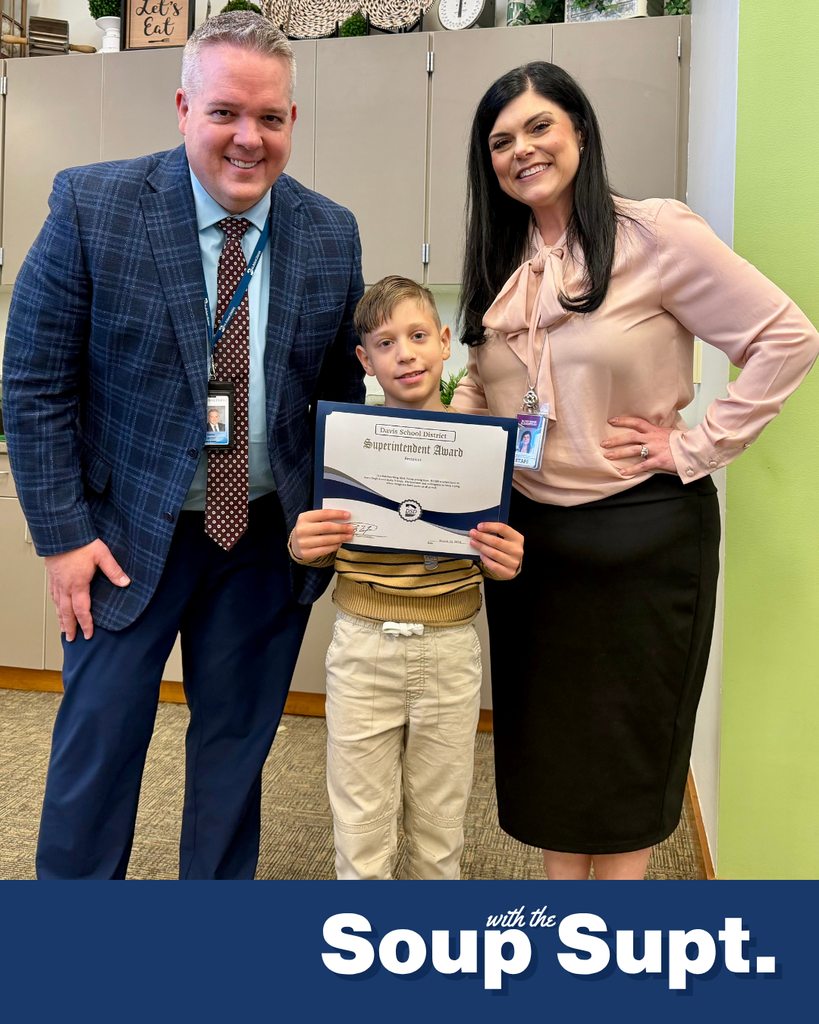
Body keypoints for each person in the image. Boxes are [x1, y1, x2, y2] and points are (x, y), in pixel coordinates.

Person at [1, 13, 365, 879]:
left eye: (270, 118)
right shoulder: (94, 205)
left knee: (234, 756)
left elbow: (336, 394)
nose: (249, 138)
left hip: (263, 539)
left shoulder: (329, 232)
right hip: (124, 539)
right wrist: (60, 537)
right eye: (226, 113)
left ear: (291, 121)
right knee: (99, 749)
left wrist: (332, 512)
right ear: (182, 108)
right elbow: (33, 383)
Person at [452, 62, 819, 880]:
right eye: (501, 140)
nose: (522, 150)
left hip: (644, 539)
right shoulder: (495, 256)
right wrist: (455, 457)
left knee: (626, 751)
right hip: (530, 546)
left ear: (579, 129)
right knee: (551, 752)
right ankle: (561, 927)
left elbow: (786, 338)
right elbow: (484, 385)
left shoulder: (654, 236)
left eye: (539, 126)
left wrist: (693, 447)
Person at [289, 277, 524, 879]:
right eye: (386, 344)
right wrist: (301, 543)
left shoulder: (484, 450)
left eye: (419, 336)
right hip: (364, 646)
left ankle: (426, 957)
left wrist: (507, 558)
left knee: (440, 828)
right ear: (365, 361)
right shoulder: (344, 444)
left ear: (446, 343)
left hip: (449, 651)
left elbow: (499, 551)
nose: (406, 354)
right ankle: (363, 960)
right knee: (362, 828)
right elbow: (319, 543)